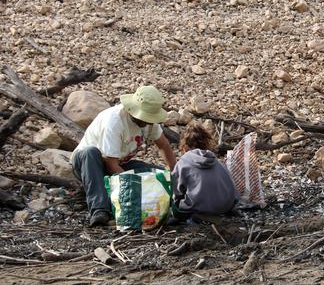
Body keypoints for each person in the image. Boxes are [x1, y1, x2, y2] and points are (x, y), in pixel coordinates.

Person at [70, 85, 176, 227]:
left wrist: (173, 172)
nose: (148, 122)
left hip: (118, 163)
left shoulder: (149, 124)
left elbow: (163, 145)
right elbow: (110, 163)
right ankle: (99, 210)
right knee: (91, 153)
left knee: (154, 172)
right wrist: (134, 188)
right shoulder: (114, 121)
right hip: (90, 165)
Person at [170, 121, 239, 224]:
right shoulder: (216, 161)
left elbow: (176, 192)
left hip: (200, 209)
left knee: (174, 208)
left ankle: (197, 216)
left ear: (184, 146)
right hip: (226, 207)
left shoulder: (184, 162)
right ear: (206, 145)